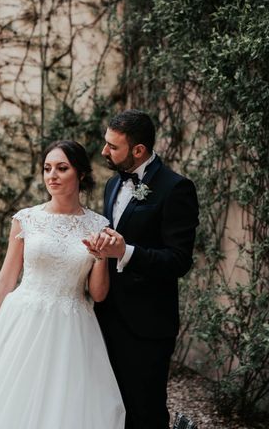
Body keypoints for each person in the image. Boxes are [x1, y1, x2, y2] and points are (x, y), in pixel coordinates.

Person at [0, 140, 126, 429]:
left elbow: (98, 294)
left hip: (72, 327)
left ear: (81, 175)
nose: (52, 175)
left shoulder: (99, 225)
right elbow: (5, 280)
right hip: (23, 321)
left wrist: (100, 256)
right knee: (16, 403)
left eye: (62, 168)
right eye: (47, 168)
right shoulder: (27, 219)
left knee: (66, 406)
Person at [87, 110, 199, 429]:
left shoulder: (176, 188)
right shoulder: (112, 185)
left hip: (147, 325)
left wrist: (127, 252)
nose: (104, 152)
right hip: (106, 316)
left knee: (145, 410)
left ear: (138, 151)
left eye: (113, 147)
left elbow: (179, 260)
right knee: (112, 406)